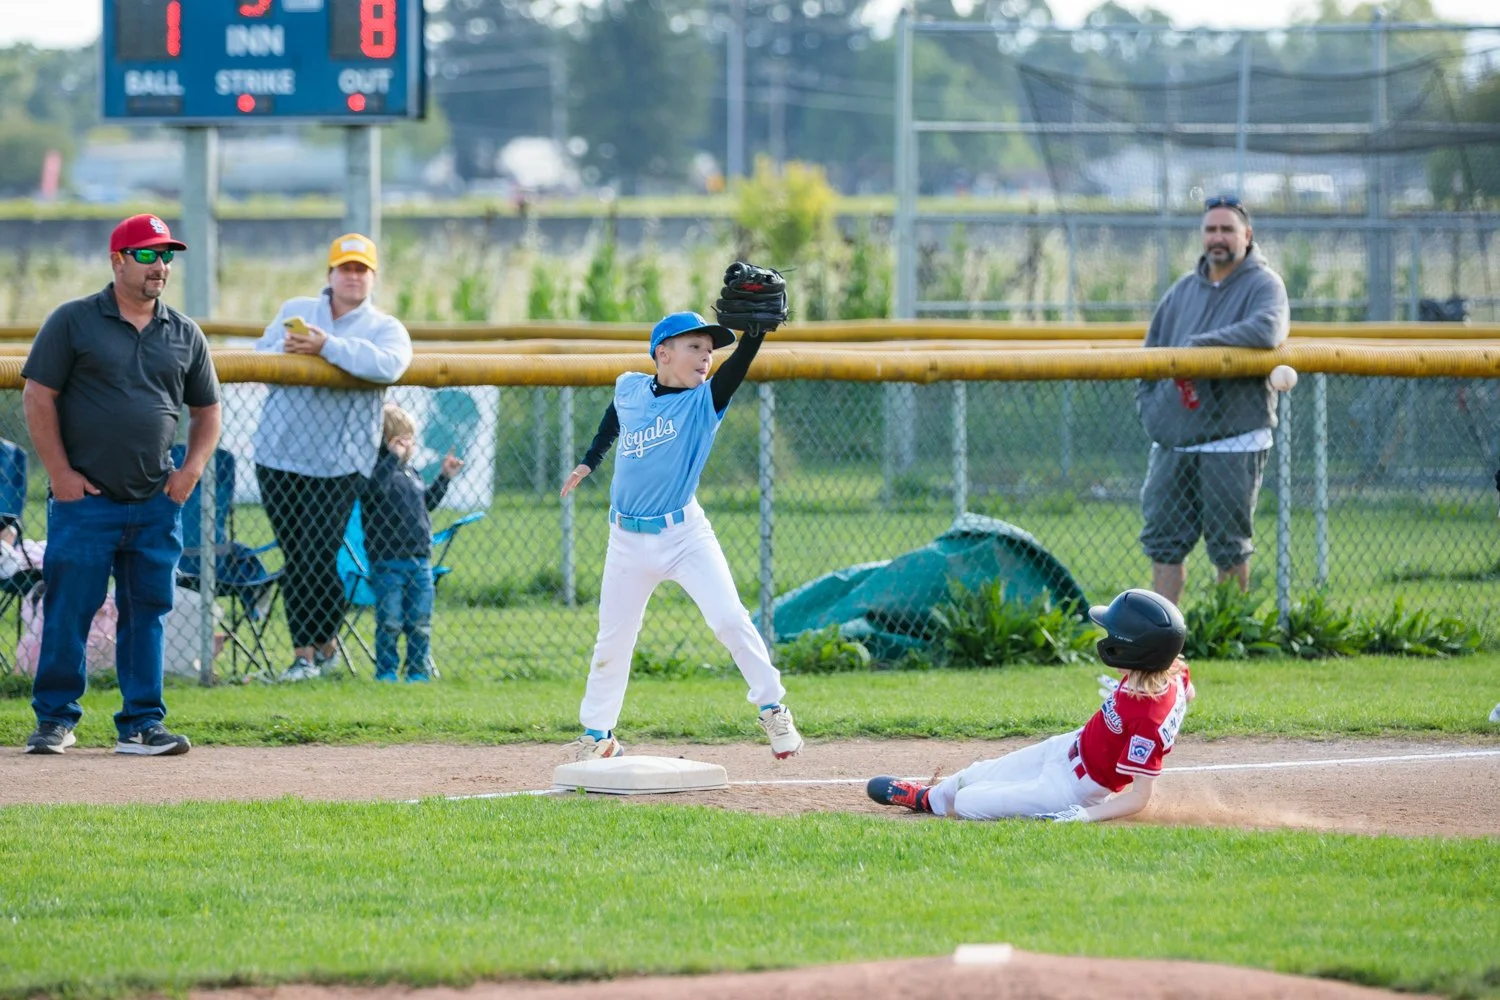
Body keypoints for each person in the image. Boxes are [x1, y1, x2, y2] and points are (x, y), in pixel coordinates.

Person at [558, 270, 802, 762]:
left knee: (730, 619)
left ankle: (773, 707)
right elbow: (614, 417)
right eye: (695, 346)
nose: (707, 355)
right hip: (625, 539)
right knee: (612, 641)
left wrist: (753, 335)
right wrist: (590, 459)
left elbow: (739, 367)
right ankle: (597, 736)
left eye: (710, 349)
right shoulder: (629, 386)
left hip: (684, 535)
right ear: (662, 354)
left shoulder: (704, 400)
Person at [21, 213, 221, 756]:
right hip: (87, 502)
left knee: (146, 613)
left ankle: (140, 724)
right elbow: (38, 397)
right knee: (69, 610)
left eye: (167, 256)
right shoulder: (73, 321)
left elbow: (207, 411)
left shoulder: (184, 333)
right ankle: (55, 721)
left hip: (155, 501)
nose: (160, 266)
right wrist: (60, 475)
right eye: (148, 254)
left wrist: (189, 473)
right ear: (117, 260)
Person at [868, 589, 1193, 823]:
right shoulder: (1169, 670)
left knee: (968, 803)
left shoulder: (1148, 721)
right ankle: (924, 799)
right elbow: (1186, 692)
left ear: (1134, 652)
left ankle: (949, 806)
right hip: (1068, 745)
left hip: (1073, 790)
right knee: (975, 775)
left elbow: (1140, 798)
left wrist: (1084, 816)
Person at [253, 233, 413, 681]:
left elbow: (391, 364)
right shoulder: (295, 311)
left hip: (340, 462)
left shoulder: (384, 327)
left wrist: (326, 349)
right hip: (278, 455)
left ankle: (308, 655)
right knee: (296, 555)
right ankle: (320, 649)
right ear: (330, 274)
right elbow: (258, 355)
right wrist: (285, 353)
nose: (353, 276)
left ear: (373, 278)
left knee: (316, 556)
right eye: (345, 268)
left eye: (362, 269)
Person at [1136, 195, 1290, 607]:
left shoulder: (1264, 285)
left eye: (1227, 229)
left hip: (1233, 437)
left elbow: (1267, 331)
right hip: (1176, 438)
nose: (1218, 237)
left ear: (1247, 235)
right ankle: (1163, 638)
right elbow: (1150, 355)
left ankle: (1227, 630)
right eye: (1211, 229)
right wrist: (1154, 413)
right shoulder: (1182, 291)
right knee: (1164, 541)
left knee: (1229, 545)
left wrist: (1196, 350)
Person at [360, 404, 464, 683]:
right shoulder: (376, 473)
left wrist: (443, 477)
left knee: (419, 622)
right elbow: (372, 494)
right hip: (388, 562)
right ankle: (386, 672)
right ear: (387, 442)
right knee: (390, 621)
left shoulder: (412, 474)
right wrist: (392, 458)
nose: (410, 446)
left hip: (419, 561)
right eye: (403, 440)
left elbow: (426, 504)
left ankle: (417, 671)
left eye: (411, 440)